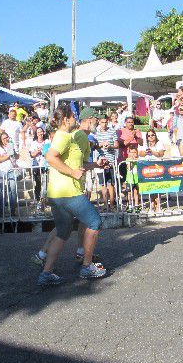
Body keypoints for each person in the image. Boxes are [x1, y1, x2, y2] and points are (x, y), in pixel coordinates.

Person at [37, 105, 109, 286]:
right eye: (73, 116)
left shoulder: (68, 136)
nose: (75, 119)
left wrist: (96, 165)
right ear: (67, 119)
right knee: (94, 222)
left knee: (63, 232)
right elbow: (51, 157)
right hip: (68, 192)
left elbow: (79, 164)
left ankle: (46, 273)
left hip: (57, 193)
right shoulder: (63, 136)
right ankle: (86, 266)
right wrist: (71, 172)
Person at [94, 115, 119, 211]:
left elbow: (117, 145)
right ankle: (105, 205)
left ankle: (112, 204)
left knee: (110, 184)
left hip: (111, 161)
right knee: (102, 184)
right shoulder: (96, 132)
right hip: (100, 161)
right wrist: (100, 145)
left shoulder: (112, 131)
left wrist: (110, 146)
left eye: (105, 122)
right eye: (102, 122)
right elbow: (94, 146)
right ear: (99, 122)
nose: (104, 124)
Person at [0, 131, 19, 216]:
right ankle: (2, 210)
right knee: (2, 191)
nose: (6, 139)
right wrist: (7, 156)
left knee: (13, 190)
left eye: (7, 137)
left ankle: (13, 210)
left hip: (11, 170)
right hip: (2, 171)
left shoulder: (11, 146)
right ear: (1, 140)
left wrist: (13, 152)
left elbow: (16, 157)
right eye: (4, 138)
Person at [28, 126, 49, 209]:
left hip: (45, 166)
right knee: (38, 184)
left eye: (41, 132)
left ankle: (43, 201)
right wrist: (38, 150)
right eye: (38, 132)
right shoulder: (34, 143)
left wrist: (44, 151)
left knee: (45, 184)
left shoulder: (47, 142)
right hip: (36, 166)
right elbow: (32, 154)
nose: (40, 133)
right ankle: (37, 201)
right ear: (36, 134)